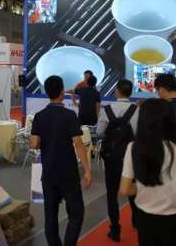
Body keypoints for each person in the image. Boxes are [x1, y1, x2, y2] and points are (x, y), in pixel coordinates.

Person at [119, 99, 176, 246]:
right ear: (170, 122)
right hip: (175, 221)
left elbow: (125, 189)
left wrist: (143, 186)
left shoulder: (133, 148)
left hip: (145, 220)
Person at [30, 75, 92, 246]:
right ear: (62, 92)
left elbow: (34, 144)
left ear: (47, 92)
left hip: (49, 172)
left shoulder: (39, 116)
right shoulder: (69, 115)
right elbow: (78, 144)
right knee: (76, 213)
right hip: (68, 172)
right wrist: (87, 170)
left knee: (50, 215)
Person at [96, 79, 139, 242]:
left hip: (111, 157)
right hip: (130, 156)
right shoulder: (136, 110)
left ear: (117, 91)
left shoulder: (106, 109)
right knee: (133, 188)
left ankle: (115, 230)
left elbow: (99, 132)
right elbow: (139, 133)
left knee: (111, 193)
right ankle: (136, 220)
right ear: (130, 92)